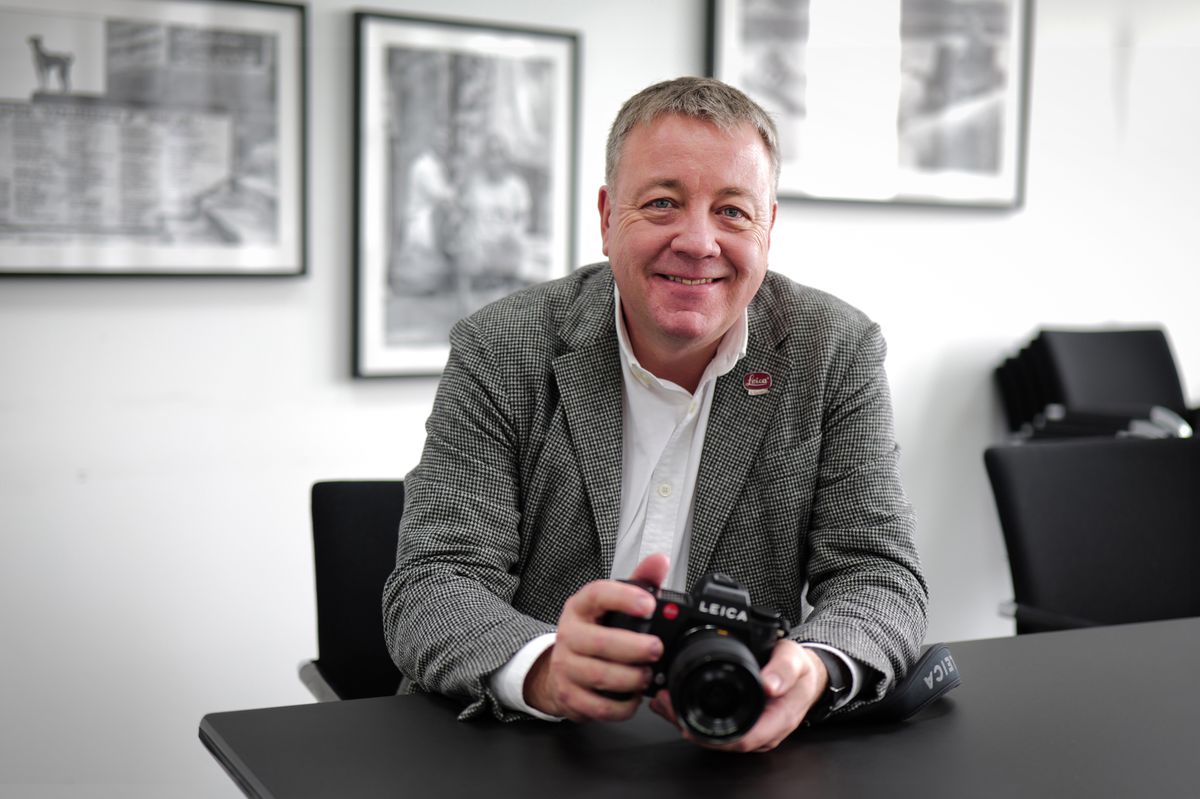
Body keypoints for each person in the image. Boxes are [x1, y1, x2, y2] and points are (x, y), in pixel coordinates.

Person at [383, 76, 927, 753]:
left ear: (769, 227)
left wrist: (812, 668)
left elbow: (878, 574)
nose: (699, 241)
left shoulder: (834, 351)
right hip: (522, 744)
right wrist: (547, 668)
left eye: (732, 211)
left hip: (736, 745)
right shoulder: (502, 346)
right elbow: (436, 580)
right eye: (664, 202)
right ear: (609, 216)